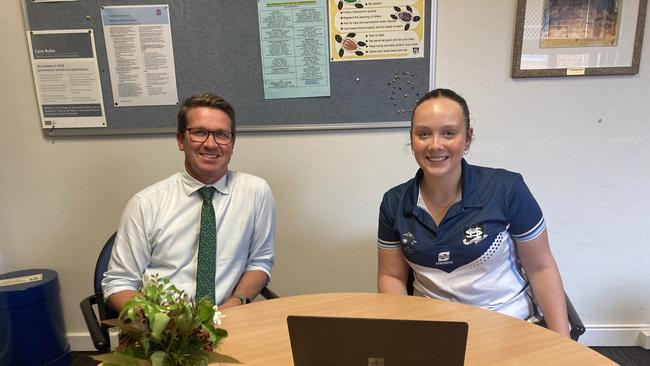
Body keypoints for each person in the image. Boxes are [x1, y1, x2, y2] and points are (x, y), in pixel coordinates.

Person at [377, 88, 570, 337]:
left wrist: (563, 344)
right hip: (432, 329)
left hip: (507, 325)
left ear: (468, 138)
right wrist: (403, 334)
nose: (435, 145)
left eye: (449, 133)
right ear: (412, 139)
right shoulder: (394, 202)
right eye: (424, 134)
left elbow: (541, 268)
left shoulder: (507, 189)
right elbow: (391, 275)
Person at [102, 92, 275, 311]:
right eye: (200, 133)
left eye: (221, 135)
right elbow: (118, 283)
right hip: (163, 325)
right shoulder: (145, 203)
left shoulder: (256, 193)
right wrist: (158, 322)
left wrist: (237, 301)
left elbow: (260, 262)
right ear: (180, 140)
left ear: (232, 143)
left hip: (229, 318)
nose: (211, 144)